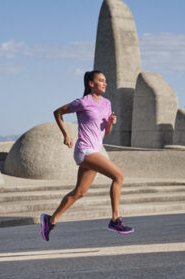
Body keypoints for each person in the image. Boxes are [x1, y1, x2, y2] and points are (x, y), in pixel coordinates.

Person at [40, 70, 134, 241]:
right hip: (84, 150)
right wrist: (66, 135)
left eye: (105, 81)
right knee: (118, 175)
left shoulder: (107, 103)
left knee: (79, 193)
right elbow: (58, 112)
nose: (105, 83)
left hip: (95, 151)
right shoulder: (83, 102)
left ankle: (50, 220)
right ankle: (115, 219)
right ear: (91, 84)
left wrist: (110, 123)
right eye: (101, 80)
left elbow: (106, 132)